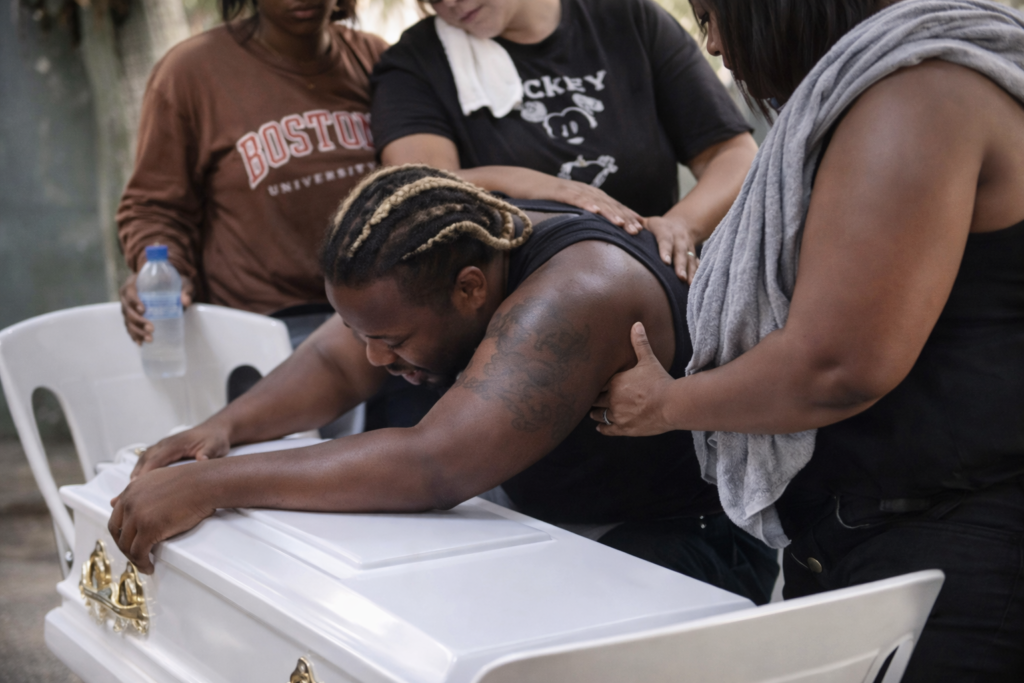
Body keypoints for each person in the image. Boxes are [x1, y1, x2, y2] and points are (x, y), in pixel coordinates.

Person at [110, 165, 779, 604]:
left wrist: (210, 485)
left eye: (393, 340)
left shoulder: (580, 290)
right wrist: (220, 429)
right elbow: (336, 364)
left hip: (687, 547)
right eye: (363, 332)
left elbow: (436, 463)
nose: (374, 357)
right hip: (563, 522)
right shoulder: (446, 253)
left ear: (470, 289)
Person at [594, 0, 1024, 679]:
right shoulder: (895, 87)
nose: (716, 47)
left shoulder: (917, 89)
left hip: (953, 549)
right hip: (869, 535)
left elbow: (836, 366)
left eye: (710, 17)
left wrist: (665, 404)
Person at [371, 0, 758, 281]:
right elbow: (417, 190)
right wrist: (544, 187)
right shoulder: (414, 64)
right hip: (526, 291)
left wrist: (681, 227)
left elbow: (732, 152)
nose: (451, 3)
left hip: (657, 272)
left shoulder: (628, 17)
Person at [116, 0, 385, 349]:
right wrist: (167, 273)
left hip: (377, 315)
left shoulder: (375, 58)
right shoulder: (191, 72)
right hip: (265, 324)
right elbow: (154, 207)